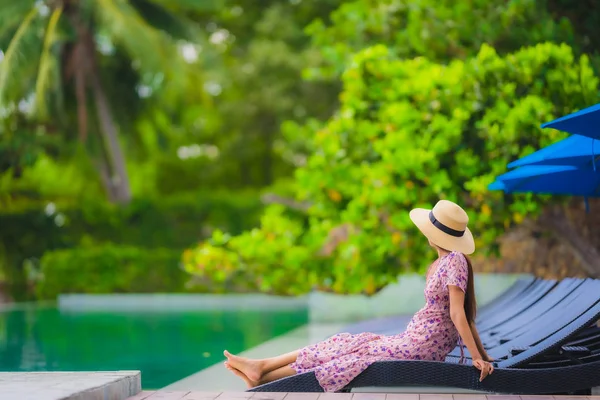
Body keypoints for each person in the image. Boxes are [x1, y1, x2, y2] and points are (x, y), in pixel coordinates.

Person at [223, 199, 494, 392]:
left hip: (420, 348)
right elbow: (466, 316)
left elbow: (459, 314)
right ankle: (263, 368)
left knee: (354, 354)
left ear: (433, 235)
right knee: (347, 342)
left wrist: (477, 358)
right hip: (412, 340)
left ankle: (263, 374)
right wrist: (483, 354)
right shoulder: (440, 263)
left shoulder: (455, 260)